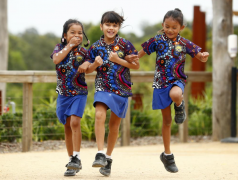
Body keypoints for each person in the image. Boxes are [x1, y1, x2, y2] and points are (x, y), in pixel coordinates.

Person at [128, 8, 209, 173]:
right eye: (167, 26)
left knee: (176, 94)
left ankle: (180, 106)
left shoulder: (184, 43)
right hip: (160, 83)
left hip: (177, 80)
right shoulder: (157, 40)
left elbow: (199, 54)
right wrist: (132, 57)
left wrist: (203, 55)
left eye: (174, 27)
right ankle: (167, 154)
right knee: (166, 121)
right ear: (162, 25)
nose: (170, 30)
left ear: (181, 28)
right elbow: (141, 53)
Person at [85, 11, 139, 176]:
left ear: (118, 27)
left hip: (122, 88)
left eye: (114, 25)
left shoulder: (125, 44)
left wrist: (118, 60)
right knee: (99, 115)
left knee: (114, 125)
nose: (111, 28)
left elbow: (136, 65)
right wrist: (95, 64)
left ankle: (108, 158)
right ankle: (100, 153)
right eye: (108, 24)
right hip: (102, 86)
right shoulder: (94, 47)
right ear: (102, 26)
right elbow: (87, 70)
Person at [50, 19, 91, 176]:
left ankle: (77, 157)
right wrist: (69, 46)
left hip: (79, 92)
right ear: (65, 35)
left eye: (80, 33)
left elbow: (90, 64)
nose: (77, 35)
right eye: (72, 32)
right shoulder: (59, 48)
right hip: (63, 93)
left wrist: (88, 64)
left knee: (75, 122)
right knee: (67, 125)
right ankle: (71, 161)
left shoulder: (85, 53)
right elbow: (56, 59)